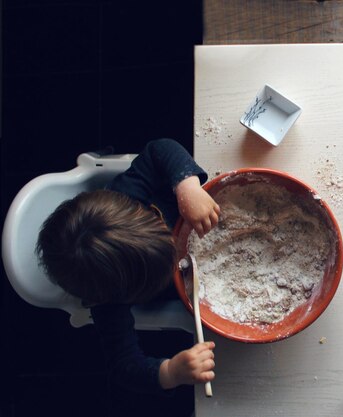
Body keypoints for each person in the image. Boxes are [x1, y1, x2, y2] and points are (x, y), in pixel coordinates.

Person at [36, 138, 220, 415]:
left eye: (160, 229)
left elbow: (160, 149)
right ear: (128, 293)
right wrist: (170, 372)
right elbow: (124, 367)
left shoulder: (127, 195)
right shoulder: (107, 303)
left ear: (139, 210)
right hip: (189, 291)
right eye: (166, 261)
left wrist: (187, 187)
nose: (176, 248)